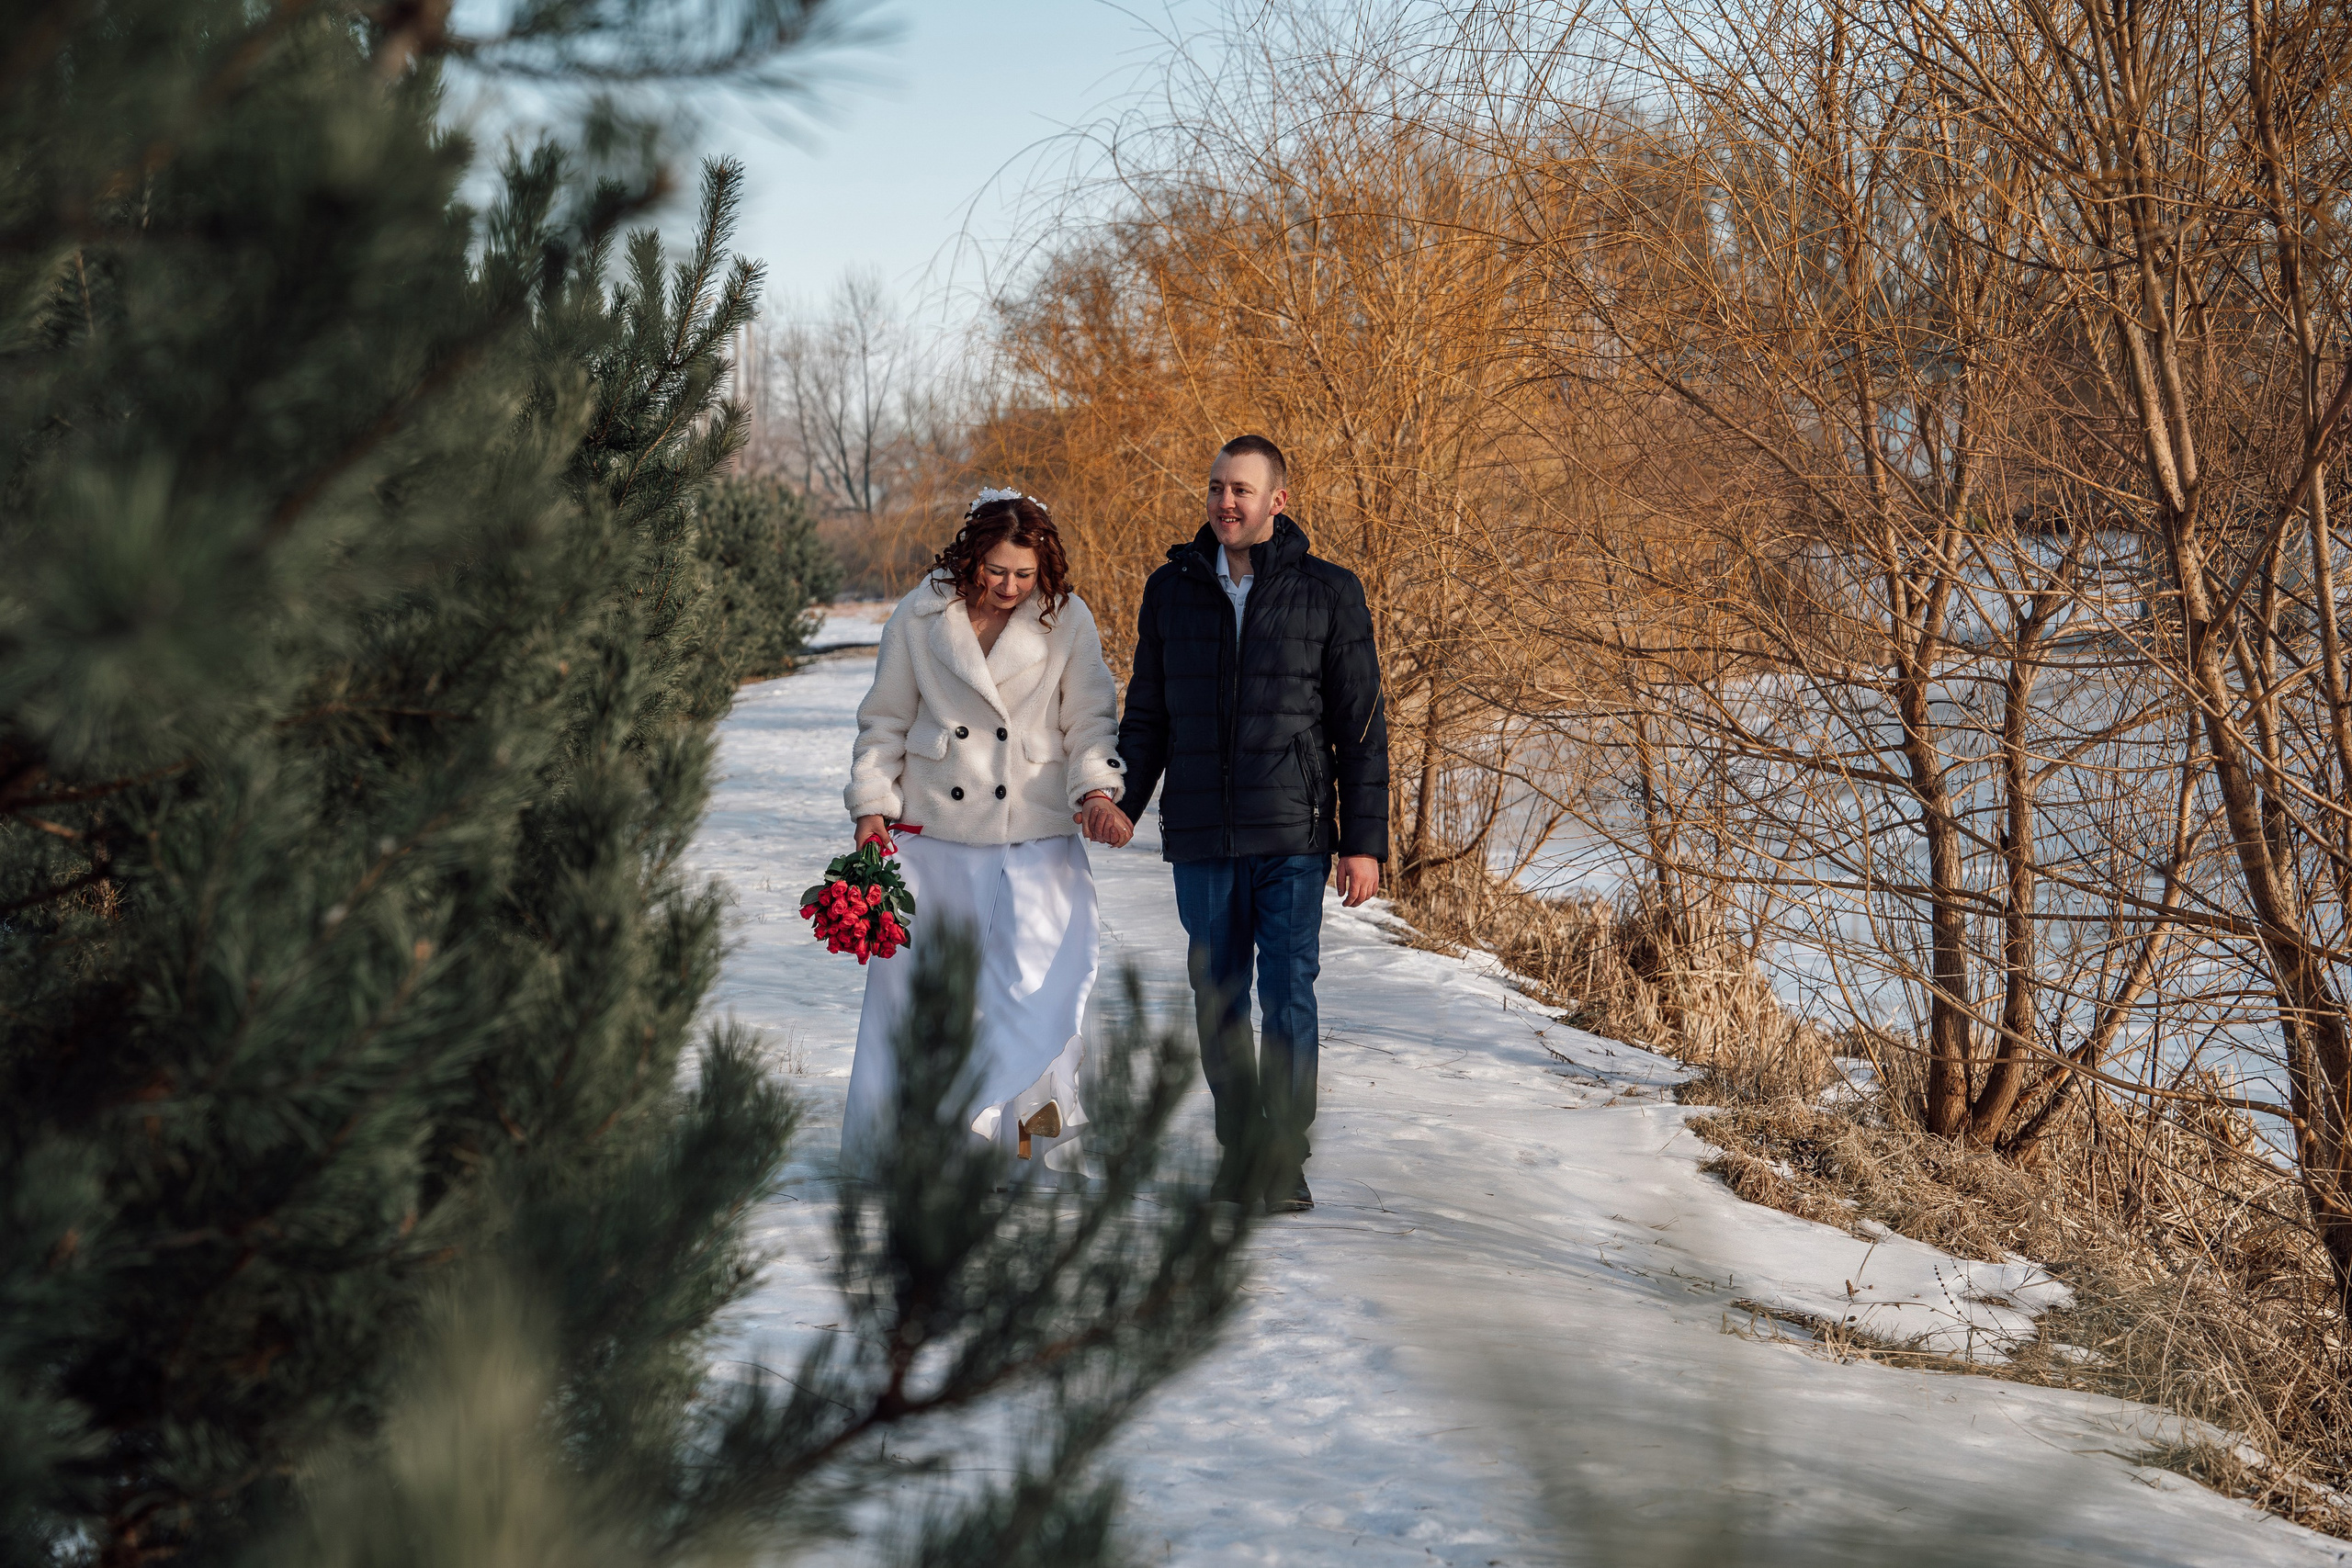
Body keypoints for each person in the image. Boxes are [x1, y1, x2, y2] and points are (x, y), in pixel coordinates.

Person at [1113, 434, 1388, 1213]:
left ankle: (1282, 1155)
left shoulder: (1330, 591)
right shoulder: (1171, 590)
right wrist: (1121, 801)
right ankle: (1240, 1148)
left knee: (1290, 993)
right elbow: (1149, 715)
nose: (1225, 502)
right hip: (1202, 831)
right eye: (1215, 487)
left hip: (1294, 834)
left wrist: (1363, 840)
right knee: (1218, 993)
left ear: (1278, 500)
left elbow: (1360, 725)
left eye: (1241, 489)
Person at [838, 490, 1134, 1179]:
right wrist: (870, 807)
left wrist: (1097, 792)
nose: (1008, 587)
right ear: (971, 557)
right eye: (995, 571)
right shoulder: (918, 615)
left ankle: (1035, 1151)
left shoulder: (1068, 619)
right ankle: (906, 1155)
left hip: (1036, 837)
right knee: (920, 1002)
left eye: (1024, 575)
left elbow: (1089, 719)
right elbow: (882, 723)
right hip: (932, 843)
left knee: (1044, 994)